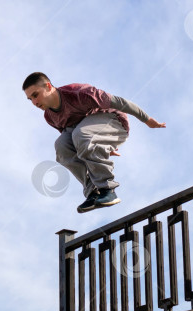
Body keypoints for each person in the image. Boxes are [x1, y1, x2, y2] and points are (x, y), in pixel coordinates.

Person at [23, 72, 165, 213]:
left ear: (48, 86)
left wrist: (147, 120)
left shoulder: (80, 93)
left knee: (81, 134)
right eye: (30, 99)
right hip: (87, 132)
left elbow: (121, 102)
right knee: (61, 147)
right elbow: (70, 144)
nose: (34, 103)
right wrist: (99, 144)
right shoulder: (49, 116)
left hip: (114, 121)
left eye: (36, 95)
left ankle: (107, 189)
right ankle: (93, 192)